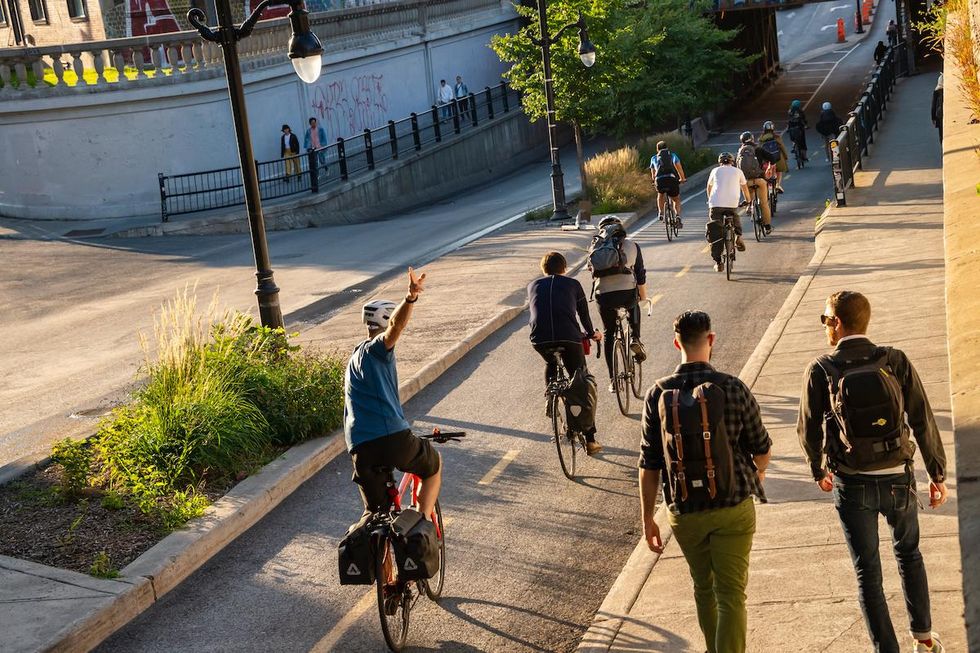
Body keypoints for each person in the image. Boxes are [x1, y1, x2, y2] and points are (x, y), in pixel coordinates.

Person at [798, 290, 948, 653]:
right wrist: (936, 473)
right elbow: (922, 417)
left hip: (852, 483)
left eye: (825, 320)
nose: (824, 327)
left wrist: (817, 469)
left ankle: (887, 649)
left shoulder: (821, 369)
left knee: (868, 572)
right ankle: (925, 638)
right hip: (898, 476)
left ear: (836, 323)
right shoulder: (893, 359)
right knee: (909, 554)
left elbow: (808, 427)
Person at [639, 310, 771, 653]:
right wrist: (757, 474)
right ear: (710, 340)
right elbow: (761, 447)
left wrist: (647, 519)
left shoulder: (657, 394)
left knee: (703, 587)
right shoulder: (732, 387)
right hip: (733, 506)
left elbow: (649, 463)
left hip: (685, 511)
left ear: (676, 343)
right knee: (730, 594)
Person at [344, 268, 442, 520]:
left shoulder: (354, 357)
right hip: (391, 437)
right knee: (433, 465)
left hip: (359, 447)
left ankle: (377, 556)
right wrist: (410, 298)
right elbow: (395, 329)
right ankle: (423, 524)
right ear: (385, 319)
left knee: (375, 516)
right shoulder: (378, 349)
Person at [528, 251, 603, 455]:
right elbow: (583, 315)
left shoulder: (532, 285)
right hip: (569, 338)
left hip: (539, 339)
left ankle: (550, 395)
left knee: (550, 363)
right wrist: (591, 334)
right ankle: (590, 440)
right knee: (581, 382)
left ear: (543, 270)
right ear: (564, 268)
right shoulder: (573, 284)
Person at [590, 216, 648, 392]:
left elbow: (592, 271)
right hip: (626, 292)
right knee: (633, 304)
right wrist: (642, 297)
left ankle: (613, 380)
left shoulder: (595, 246)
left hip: (604, 295)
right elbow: (640, 273)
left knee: (609, 333)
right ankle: (635, 337)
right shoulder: (632, 245)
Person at [706, 152, 751, 272]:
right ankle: (738, 236)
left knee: (715, 232)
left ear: (720, 162)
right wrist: (748, 200)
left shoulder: (715, 171)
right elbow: (744, 187)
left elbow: (709, 187)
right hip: (732, 203)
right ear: (732, 161)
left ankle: (718, 262)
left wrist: (710, 201)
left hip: (715, 204)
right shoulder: (738, 171)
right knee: (735, 217)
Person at [735, 132, 772, 235]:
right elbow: (772, 158)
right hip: (759, 180)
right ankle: (767, 226)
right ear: (752, 139)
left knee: (746, 188)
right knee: (763, 203)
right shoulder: (758, 149)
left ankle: (749, 204)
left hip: (746, 182)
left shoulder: (740, 152)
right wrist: (769, 166)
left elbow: (736, 168)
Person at [649, 140, 687, 227]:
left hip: (659, 181)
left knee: (660, 194)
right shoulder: (673, 155)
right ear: (667, 148)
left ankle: (661, 212)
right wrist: (682, 179)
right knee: (676, 199)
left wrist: (654, 182)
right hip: (671, 180)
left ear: (657, 149)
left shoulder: (653, 158)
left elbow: (653, 174)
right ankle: (677, 216)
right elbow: (679, 168)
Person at [758, 121, 788, 193]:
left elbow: (759, 149)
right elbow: (782, 147)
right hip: (777, 158)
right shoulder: (776, 137)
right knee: (779, 171)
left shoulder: (761, 139)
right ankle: (777, 185)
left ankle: (768, 187)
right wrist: (786, 156)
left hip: (766, 160)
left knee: (767, 172)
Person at [931, 74, 944, 143]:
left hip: (939, 114)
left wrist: (933, 118)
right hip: (943, 113)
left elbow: (933, 105)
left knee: (941, 133)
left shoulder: (936, 91)